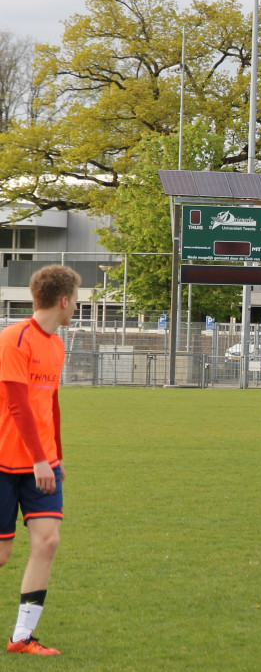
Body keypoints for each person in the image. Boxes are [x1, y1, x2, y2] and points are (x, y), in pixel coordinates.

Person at [0, 265, 80, 656]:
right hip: (6, 463)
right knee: (1, 554)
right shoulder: (14, 339)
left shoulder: (58, 345)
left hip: (43, 465)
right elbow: (16, 405)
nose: (76, 307)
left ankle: (21, 638)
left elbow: (50, 404)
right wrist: (39, 459)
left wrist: (56, 455)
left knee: (47, 542)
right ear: (64, 301)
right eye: (76, 300)